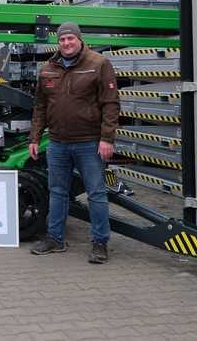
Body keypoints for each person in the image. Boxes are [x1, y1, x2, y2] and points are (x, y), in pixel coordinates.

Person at [28, 22, 119, 263]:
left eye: (70, 39)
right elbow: (40, 107)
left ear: (79, 39)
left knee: (96, 193)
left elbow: (110, 104)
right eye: (62, 39)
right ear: (58, 42)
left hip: (89, 143)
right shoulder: (48, 68)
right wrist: (35, 137)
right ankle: (55, 239)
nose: (66, 43)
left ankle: (100, 243)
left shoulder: (99, 63)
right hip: (57, 143)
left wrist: (107, 138)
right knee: (57, 192)